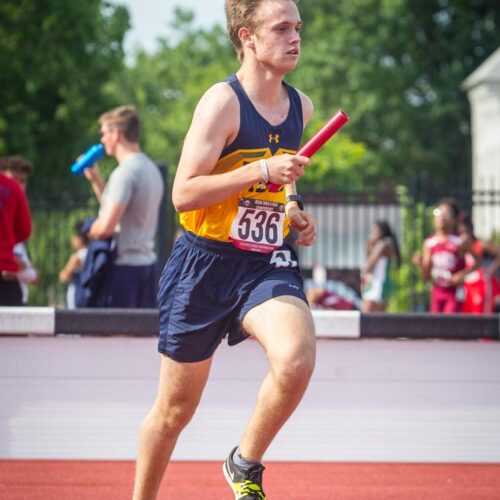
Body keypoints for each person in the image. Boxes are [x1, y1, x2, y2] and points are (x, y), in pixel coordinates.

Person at [133, 1, 317, 498]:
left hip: (264, 261)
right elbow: (183, 194)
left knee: (296, 359)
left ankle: (244, 462)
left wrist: (292, 206)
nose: (295, 37)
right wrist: (261, 171)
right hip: (202, 262)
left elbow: (284, 180)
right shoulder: (222, 103)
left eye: (298, 27)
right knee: (174, 412)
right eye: (281, 28)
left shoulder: (301, 107)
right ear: (247, 37)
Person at [83, 105, 164, 307]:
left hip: (123, 271)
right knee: (141, 336)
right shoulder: (150, 168)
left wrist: (89, 228)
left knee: (114, 336)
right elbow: (121, 211)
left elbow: (106, 227)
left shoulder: (125, 173)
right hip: (146, 267)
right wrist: (96, 181)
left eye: (103, 133)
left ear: (116, 134)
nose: (101, 140)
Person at [413, 197, 478, 313]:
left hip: (454, 292)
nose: (441, 217)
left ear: (454, 219)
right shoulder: (430, 243)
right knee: (436, 326)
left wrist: (462, 274)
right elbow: (426, 276)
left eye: (446, 213)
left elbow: (478, 261)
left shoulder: (460, 240)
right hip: (437, 291)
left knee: (450, 325)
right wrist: (421, 264)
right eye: (438, 213)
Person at [0, 156, 39, 305]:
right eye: (15, 179)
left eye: (23, 181)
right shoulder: (11, 189)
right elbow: (24, 231)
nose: (19, 185)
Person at [457, 213, 500, 314]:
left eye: (464, 232)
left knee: (481, 317)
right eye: (460, 233)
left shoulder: (480, 244)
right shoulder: (461, 247)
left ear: (470, 230)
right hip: (468, 288)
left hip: (482, 287)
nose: (463, 236)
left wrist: (490, 269)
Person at [361, 220, 401, 312]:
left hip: (377, 286)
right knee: (377, 321)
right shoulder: (389, 244)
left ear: (381, 231)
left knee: (365, 320)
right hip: (383, 285)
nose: (372, 233)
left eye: (374, 230)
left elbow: (368, 266)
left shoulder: (382, 245)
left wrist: (368, 246)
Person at [58, 222, 89, 308]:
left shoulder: (76, 257)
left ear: (79, 239)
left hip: (77, 294)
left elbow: (64, 277)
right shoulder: (91, 254)